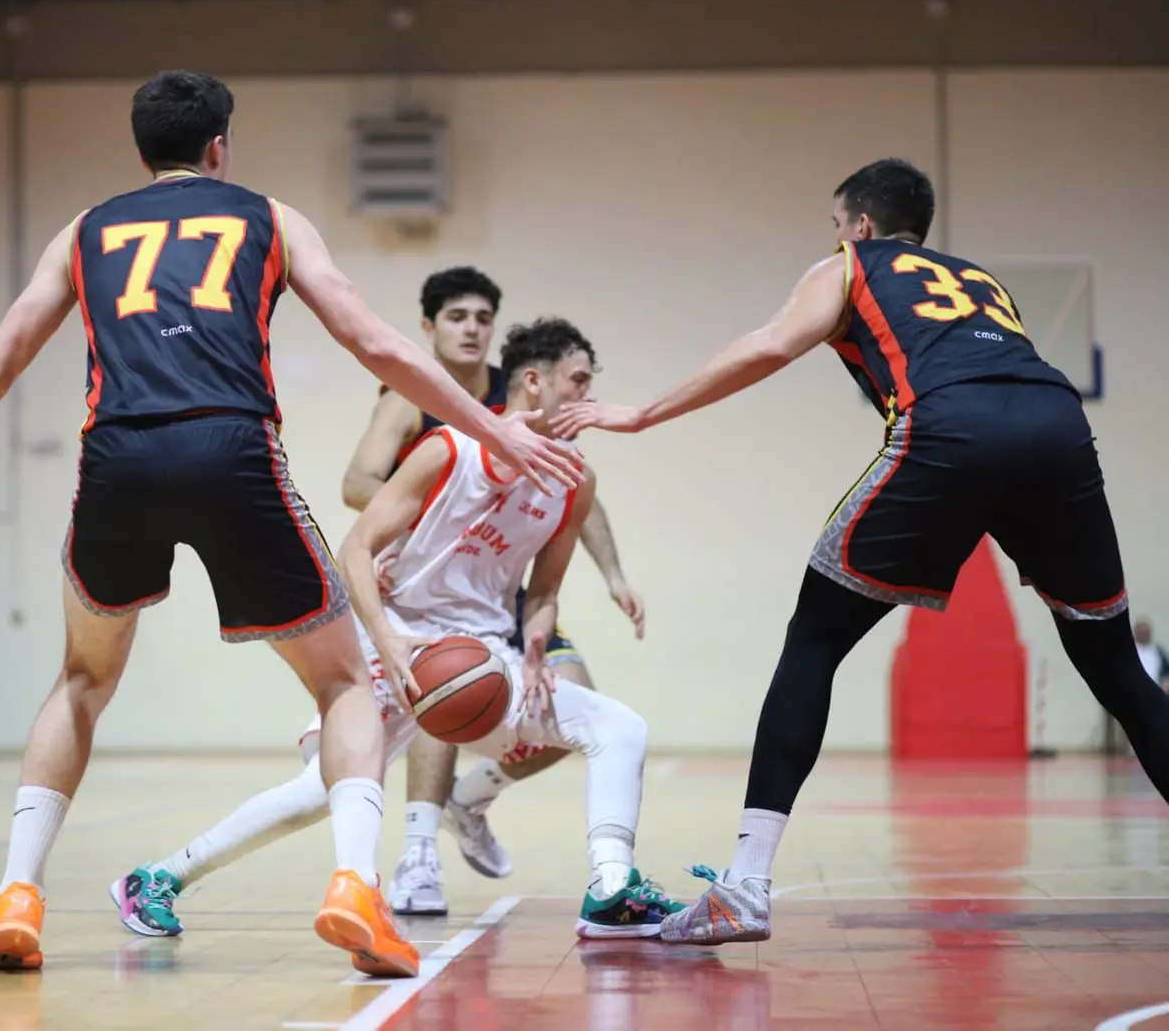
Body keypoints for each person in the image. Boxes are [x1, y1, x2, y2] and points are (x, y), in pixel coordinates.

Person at [0, 70, 581, 978]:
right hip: (231, 449)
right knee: (343, 686)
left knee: (82, 679)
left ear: (142, 151)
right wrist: (491, 425)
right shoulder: (271, 218)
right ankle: (354, 885)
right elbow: (374, 340)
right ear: (220, 146)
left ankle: (16, 894)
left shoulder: (84, 231)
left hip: (118, 457)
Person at [553, 157, 1169, 944]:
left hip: (951, 426)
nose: (837, 237)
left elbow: (772, 344)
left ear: (863, 226)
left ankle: (746, 885)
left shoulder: (851, 264)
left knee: (814, 638)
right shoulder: (981, 281)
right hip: (1059, 426)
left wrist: (643, 412)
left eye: (838, 225)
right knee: (1117, 669)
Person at [111, 318, 681, 942]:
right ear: (533, 382)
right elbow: (355, 550)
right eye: (578, 381)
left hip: (481, 652)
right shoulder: (449, 449)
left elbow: (542, 592)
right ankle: (158, 878)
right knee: (320, 791)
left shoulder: (575, 481)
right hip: (398, 636)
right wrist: (385, 641)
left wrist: (538, 645)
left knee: (618, 728)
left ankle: (609, 889)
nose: (590, 399)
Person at [342, 268, 646, 915]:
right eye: (457, 316)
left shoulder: (524, 393)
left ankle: (469, 798)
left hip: (502, 583)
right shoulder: (410, 398)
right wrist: (427, 523)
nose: (473, 328)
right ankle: (418, 852)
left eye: (483, 317)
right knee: (449, 682)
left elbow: (576, 492)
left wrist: (613, 574)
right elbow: (356, 483)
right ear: (428, 328)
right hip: (432, 584)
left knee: (572, 699)